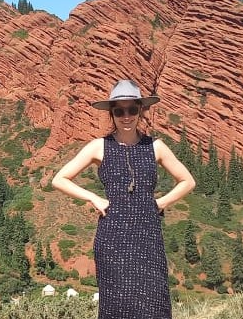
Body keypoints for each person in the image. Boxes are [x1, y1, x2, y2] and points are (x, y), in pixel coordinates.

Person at [51, 79, 196, 318]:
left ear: (141, 111)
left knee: (154, 299)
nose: (126, 116)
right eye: (119, 110)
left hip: (148, 235)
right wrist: (93, 198)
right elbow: (60, 179)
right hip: (112, 237)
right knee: (117, 302)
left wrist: (161, 203)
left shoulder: (156, 147)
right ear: (112, 114)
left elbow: (188, 181)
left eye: (132, 109)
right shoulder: (99, 146)